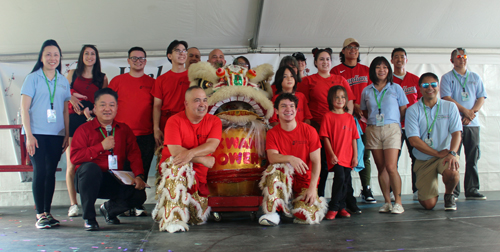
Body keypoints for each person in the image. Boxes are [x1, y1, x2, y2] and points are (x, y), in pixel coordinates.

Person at [71, 88, 147, 231]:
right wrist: (101, 146)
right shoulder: (83, 130)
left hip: (114, 178)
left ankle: (109, 210)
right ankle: (89, 218)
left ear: (117, 108)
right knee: (90, 169)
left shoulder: (124, 130)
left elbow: (134, 154)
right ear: (95, 108)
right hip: (90, 180)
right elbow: (75, 157)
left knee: (139, 194)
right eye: (103, 105)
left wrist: (138, 175)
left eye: (112, 105)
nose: (107, 109)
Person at [152, 86, 222, 233]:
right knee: (177, 166)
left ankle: (168, 209)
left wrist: (189, 154)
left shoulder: (214, 121)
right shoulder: (174, 121)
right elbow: (176, 152)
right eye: (197, 100)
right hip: (175, 172)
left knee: (196, 218)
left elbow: (211, 146)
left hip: (198, 179)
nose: (202, 104)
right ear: (186, 104)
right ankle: (172, 220)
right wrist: (202, 160)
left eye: (204, 100)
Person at [20, 39, 71, 229]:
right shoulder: (32, 78)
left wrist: (66, 134)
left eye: (56, 55)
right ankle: (39, 214)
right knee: (39, 171)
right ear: (41, 57)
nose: (52, 58)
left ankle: (47, 212)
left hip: (56, 134)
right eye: (48, 54)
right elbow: (24, 109)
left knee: (50, 173)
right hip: (37, 134)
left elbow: (65, 110)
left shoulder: (63, 80)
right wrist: (29, 135)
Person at [301, 47, 359, 213]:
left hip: (340, 131)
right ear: (316, 62)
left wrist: (345, 118)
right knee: (322, 167)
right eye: (321, 59)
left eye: (327, 59)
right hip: (317, 129)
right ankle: (317, 199)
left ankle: (345, 202)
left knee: (344, 170)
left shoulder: (339, 78)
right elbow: (303, 104)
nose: (325, 62)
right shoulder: (309, 80)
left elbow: (349, 101)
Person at [259, 93, 326, 226]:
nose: (288, 109)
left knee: (306, 217)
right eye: (283, 106)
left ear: (296, 110)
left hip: (304, 181)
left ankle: (292, 205)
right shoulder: (272, 133)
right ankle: (272, 213)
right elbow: (272, 157)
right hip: (285, 178)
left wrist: (313, 188)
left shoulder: (310, 131)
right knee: (274, 169)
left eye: (291, 106)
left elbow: (317, 162)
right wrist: (290, 158)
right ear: (276, 111)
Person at [108, 46, 155, 216]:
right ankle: (121, 204)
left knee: (142, 170)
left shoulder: (152, 83)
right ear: (128, 61)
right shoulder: (117, 81)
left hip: (146, 135)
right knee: (123, 172)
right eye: (134, 58)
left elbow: (156, 109)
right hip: (121, 135)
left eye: (141, 58)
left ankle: (137, 203)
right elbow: (108, 105)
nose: (138, 61)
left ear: (145, 62)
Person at [406, 73, 461, 210]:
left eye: (433, 84)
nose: (430, 87)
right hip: (424, 160)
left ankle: (449, 195)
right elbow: (413, 140)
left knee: (452, 172)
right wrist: (437, 153)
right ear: (419, 88)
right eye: (425, 85)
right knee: (428, 205)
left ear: (438, 86)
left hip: (446, 155)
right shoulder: (412, 110)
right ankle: (429, 190)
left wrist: (452, 153)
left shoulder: (450, 107)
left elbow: (457, 134)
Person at [360, 56, 408, 214]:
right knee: (381, 168)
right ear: (373, 70)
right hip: (373, 129)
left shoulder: (396, 88)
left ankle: (398, 202)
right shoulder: (366, 90)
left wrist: (392, 122)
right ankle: (387, 202)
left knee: (391, 167)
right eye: (378, 67)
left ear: (389, 70)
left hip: (392, 128)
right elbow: (365, 111)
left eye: (385, 67)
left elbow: (403, 110)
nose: (382, 70)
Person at [65, 44, 108, 218]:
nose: (90, 56)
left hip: (93, 123)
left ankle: (90, 201)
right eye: (86, 53)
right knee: (71, 164)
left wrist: (93, 112)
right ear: (81, 56)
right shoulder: (72, 74)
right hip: (74, 122)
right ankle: (73, 204)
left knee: (94, 161)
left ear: (96, 58)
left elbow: (105, 100)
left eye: (93, 54)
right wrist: (72, 96)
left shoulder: (102, 78)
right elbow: (62, 92)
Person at [331, 38, 375, 204]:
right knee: (343, 156)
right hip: (344, 120)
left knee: (365, 154)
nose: (353, 50)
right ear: (343, 51)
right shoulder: (336, 70)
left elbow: (373, 93)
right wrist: (352, 104)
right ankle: (344, 193)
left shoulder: (366, 70)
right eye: (349, 47)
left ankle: (367, 188)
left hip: (365, 119)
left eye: (356, 47)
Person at [441, 48, 487, 200]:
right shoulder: (447, 78)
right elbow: (446, 97)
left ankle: (472, 189)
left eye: (464, 56)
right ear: (452, 60)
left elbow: (481, 97)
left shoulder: (474, 77)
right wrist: (464, 112)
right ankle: (453, 191)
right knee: (454, 157)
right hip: (455, 124)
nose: (462, 59)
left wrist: (471, 113)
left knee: (473, 157)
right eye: (458, 57)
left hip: (472, 123)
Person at [320, 86, 359, 220]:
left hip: (348, 156)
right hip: (336, 156)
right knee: (340, 178)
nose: (340, 99)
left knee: (346, 180)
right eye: (336, 97)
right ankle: (334, 207)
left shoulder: (349, 117)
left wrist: (355, 156)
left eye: (343, 97)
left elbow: (354, 138)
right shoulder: (328, 116)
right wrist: (331, 154)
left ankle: (341, 206)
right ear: (331, 99)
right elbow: (325, 137)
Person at [391, 47, 421, 200]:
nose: (399, 59)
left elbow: (422, 102)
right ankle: (391, 191)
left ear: (406, 60)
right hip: (394, 127)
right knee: (392, 160)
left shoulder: (415, 79)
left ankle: (417, 189)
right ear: (392, 60)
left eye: (402, 56)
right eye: (396, 57)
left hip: (412, 126)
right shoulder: (388, 81)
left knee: (416, 157)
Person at [151, 40, 191, 148]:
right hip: (167, 123)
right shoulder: (161, 79)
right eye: (178, 51)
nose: (182, 53)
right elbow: (157, 105)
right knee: (168, 158)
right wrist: (156, 128)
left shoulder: (193, 77)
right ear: (169, 56)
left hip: (188, 122)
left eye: (184, 51)